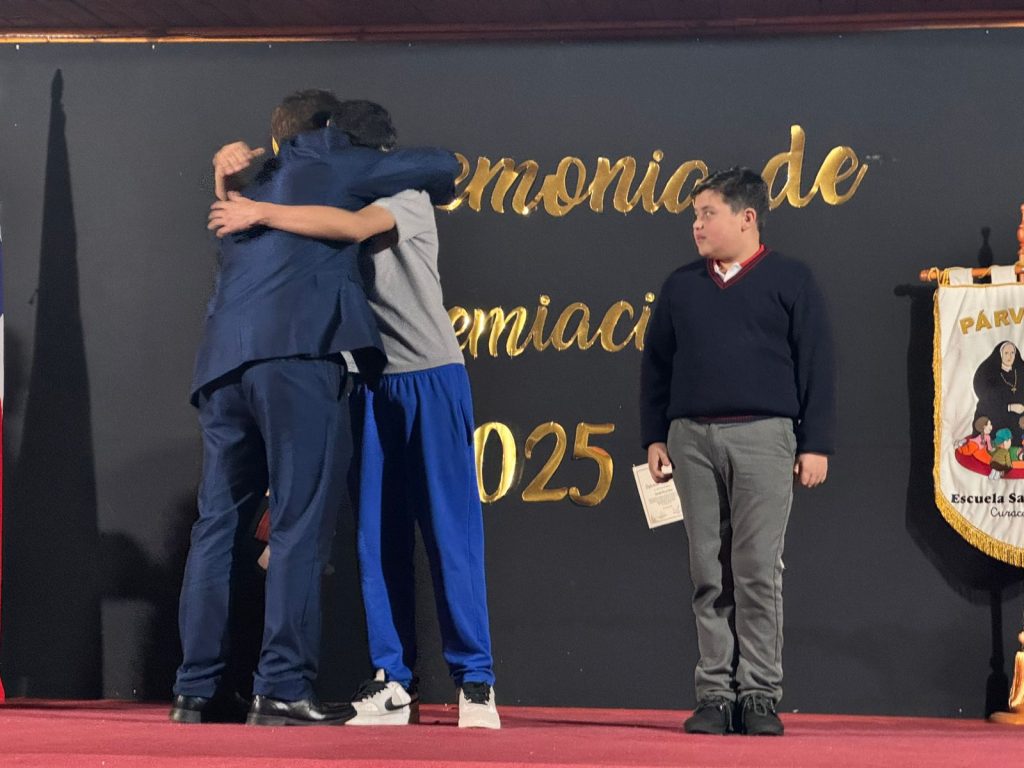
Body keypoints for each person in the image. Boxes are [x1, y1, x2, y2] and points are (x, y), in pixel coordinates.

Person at [170, 90, 460, 727]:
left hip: (221, 366)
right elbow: (445, 166)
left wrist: (231, 178)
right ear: (330, 129)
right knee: (299, 525)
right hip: (297, 359)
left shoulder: (247, 186)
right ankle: (281, 686)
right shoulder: (340, 161)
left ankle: (196, 690)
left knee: (217, 526)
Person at [640, 167, 835, 736]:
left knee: (756, 569)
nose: (697, 225)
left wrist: (815, 443)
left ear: (747, 217)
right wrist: (655, 435)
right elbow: (656, 365)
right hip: (691, 439)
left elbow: (817, 364)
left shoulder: (791, 279)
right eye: (695, 215)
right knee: (707, 569)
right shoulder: (681, 285)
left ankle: (759, 695)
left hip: (765, 437)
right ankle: (715, 695)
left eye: (708, 213)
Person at [973, 341, 1024, 435]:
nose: (1009, 356)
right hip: (997, 417)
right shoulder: (990, 374)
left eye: (1012, 353)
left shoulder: (1020, 371)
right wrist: (1009, 407)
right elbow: (987, 401)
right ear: (1000, 355)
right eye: (1006, 353)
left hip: (1018, 419)